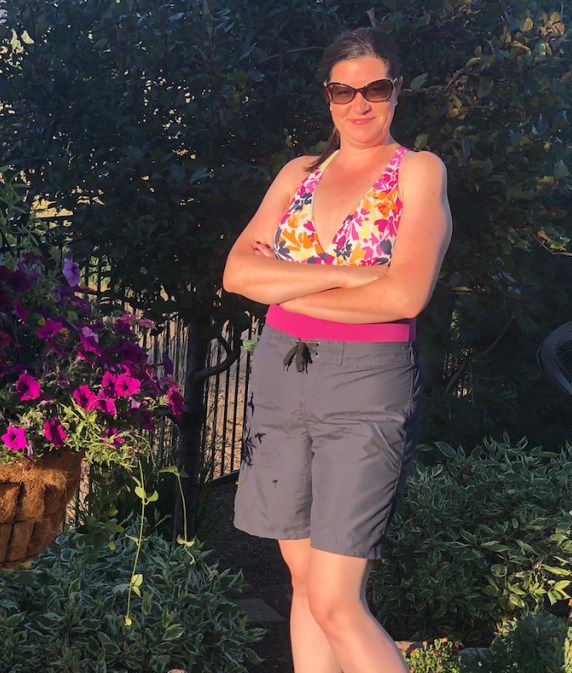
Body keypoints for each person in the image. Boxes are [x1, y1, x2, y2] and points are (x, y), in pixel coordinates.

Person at [222, 27, 452, 673]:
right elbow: (238, 274)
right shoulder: (299, 173)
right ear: (326, 96)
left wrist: (288, 287)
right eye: (342, 90)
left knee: (335, 597)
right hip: (281, 372)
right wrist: (356, 276)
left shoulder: (418, 171)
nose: (360, 103)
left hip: (366, 383)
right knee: (301, 578)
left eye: (375, 88)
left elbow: (404, 296)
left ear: (397, 91)